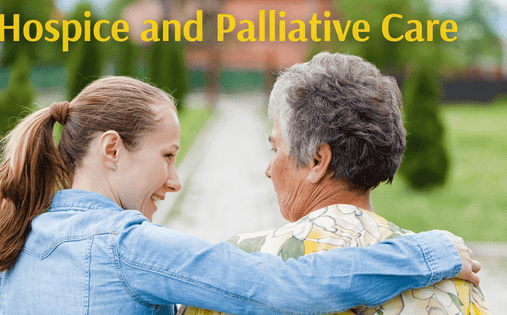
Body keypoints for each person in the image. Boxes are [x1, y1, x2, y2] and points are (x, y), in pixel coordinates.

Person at [0, 76, 479, 315]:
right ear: (111, 149)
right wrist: (425, 252)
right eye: (168, 156)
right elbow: (282, 286)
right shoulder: (126, 247)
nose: (174, 180)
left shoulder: (15, 245)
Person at [182, 52, 490, 315]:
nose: (268, 170)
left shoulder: (235, 269)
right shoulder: (456, 279)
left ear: (317, 160)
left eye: (275, 149)